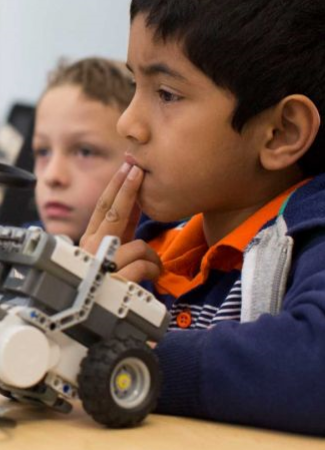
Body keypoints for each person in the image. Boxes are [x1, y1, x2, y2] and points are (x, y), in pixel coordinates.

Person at [79, 0, 325, 435]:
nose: (127, 123)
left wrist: (114, 355)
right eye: (134, 83)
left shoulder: (310, 236)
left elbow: (313, 364)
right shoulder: (149, 250)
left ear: (281, 132)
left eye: (167, 94)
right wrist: (76, 306)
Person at [32, 57, 134, 243]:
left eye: (85, 152)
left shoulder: (167, 261)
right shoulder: (2, 252)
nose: (52, 176)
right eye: (43, 152)